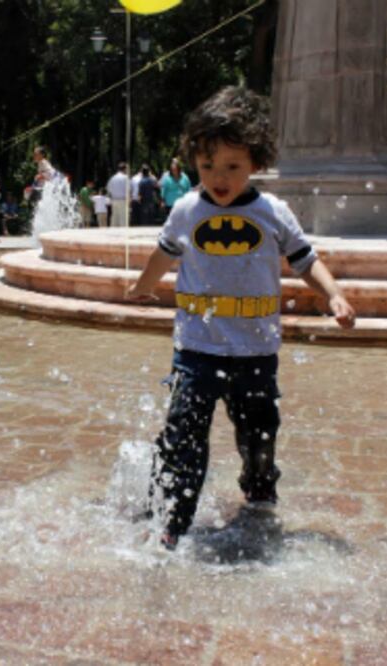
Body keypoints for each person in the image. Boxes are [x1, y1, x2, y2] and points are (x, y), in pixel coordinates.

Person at [126, 86, 355, 550]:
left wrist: (335, 295)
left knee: (259, 434)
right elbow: (163, 254)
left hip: (255, 350)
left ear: (255, 161)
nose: (219, 177)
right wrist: (142, 287)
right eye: (208, 166)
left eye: (232, 166)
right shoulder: (188, 209)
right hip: (197, 347)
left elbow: (306, 260)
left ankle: (259, 488)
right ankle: (174, 517)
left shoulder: (273, 212)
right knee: (184, 433)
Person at [106, 162, 130, 227]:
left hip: (114, 200)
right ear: (124, 169)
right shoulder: (125, 177)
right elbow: (128, 189)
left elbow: (108, 189)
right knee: (123, 218)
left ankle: (113, 233)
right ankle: (123, 233)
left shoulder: (112, 178)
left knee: (114, 218)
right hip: (122, 200)